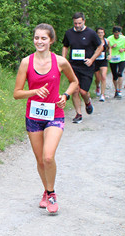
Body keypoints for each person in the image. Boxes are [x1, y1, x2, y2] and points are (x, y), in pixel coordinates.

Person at [14, 23, 79, 215]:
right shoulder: (26, 62)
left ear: (51, 40)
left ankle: (51, 195)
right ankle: (46, 190)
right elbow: (17, 93)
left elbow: (74, 81)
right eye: (36, 38)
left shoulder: (60, 62)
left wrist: (65, 95)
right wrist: (34, 92)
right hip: (33, 116)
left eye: (43, 38)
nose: (39, 41)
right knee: (40, 161)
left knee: (48, 156)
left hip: (54, 115)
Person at [61, 12, 104, 123]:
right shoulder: (69, 33)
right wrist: (63, 60)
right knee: (75, 90)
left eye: (79, 23)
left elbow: (100, 47)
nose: (77, 25)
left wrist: (92, 59)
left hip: (86, 66)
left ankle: (87, 102)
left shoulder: (91, 33)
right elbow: (65, 46)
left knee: (83, 91)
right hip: (73, 66)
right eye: (75, 23)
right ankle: (78, 114)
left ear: (84, 21)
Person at [107, 26, 125, 99]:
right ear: (113, 33)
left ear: (120, 33)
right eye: (115, 34)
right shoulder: (109, 38)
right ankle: (116, 90)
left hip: (122, 58)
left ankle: (119, 91)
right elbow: (106, 48)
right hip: (113, 59)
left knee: (120, 73)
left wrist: (124, 49)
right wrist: (111, 47)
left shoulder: (124, 38)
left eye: (118, 34)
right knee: (115, 76)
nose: (117, 35)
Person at [93, 27, 110, 102]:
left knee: (103, 76)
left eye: (101, 33)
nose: (100, 34)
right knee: (98, 78)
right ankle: (97, 86)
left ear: (104, 33)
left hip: (103, 61)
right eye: (99, 33)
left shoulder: (106, 41)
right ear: (96, 34)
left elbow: (109, 48)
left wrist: (110, 54)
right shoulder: (93, 41)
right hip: (95, 61)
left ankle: (102, 94)